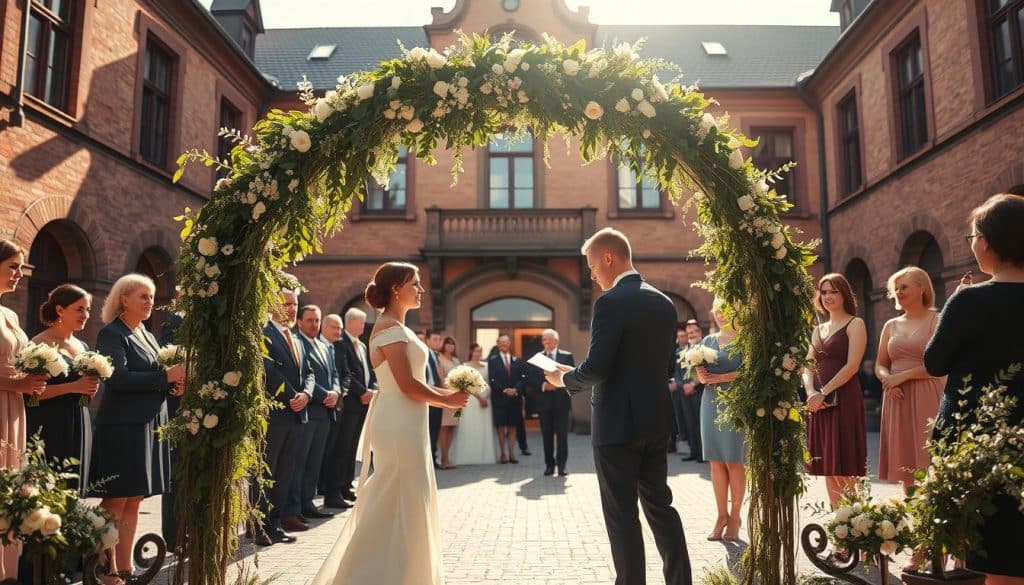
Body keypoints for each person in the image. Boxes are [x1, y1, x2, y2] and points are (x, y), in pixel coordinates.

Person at [546, 227, 692, 585]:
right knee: (661, 507)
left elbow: (598, 367)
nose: (592, 275)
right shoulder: (663, 302)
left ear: (609, 258)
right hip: (656, 420)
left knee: (621, 514)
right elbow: (656, 366)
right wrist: (577, 372)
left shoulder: (610, 303)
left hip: (616, 427)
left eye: (593, 266)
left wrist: (563, 379)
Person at [312, 262, 468, 585]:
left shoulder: (400, 327)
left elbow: (412, 383)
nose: (421, 291)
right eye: (415, 284)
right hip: (398, 422)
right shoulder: (387, 328)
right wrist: (447, 400)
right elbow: (407, 384)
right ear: (396, 289)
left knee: (410, 493)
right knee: (394, 491)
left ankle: (408, 572)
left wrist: (449, 393)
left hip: (409, 421)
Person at [924, 193, 1024, 584]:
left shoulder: (968, 301)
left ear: (988, 242)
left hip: (977, 444)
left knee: (997, 559)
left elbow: (935, 363)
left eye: (972, 237)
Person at [90, 274, 184, 577]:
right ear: (123, 299)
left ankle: (126, 566)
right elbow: (118, 379)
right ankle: (106, 567)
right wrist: (165, 378)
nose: (150, 303)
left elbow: (153, 375)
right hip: (122, 427)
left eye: (152, 297)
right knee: (116, 497)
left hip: (148, 425)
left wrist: (171, 387)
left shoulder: (145, 332)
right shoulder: (112, 334)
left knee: (134, 497)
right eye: (143, 296)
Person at [0, 240, 46, 579]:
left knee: (11, 492)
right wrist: (16, 384)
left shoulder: (10, 313)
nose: (20, 273)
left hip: (13, 409)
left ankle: (8, 573)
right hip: (4, 396)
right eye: (14, 266)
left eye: (21, 266)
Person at [802, 273, 867, 510]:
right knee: (829, 467)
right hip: (819, 405)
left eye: (834, 291)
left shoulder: (855, 324)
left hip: (844, 401)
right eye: (824, 291)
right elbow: (807, 365)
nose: (828, 296)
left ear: (844, 294)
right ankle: (840, 532)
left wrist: (824, 392)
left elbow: (852, 366)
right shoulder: (817, 329)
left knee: (845, 466)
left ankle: (855, 530)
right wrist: (810, 392)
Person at [876, 267, 944, 491]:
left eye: (903, 287)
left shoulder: (938, 320)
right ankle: (911, 516)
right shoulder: (890, 325)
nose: (898, 292)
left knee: (929, 459)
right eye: (896, 289)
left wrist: (900, 378)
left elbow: (940, 365)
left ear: (921, 288)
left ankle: (932, 514)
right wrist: (888, 381)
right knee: (904, 463)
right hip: (896, 397)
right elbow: (880, 365)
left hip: (927, 393)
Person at [256, 288, 315, 546]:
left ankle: (275, 523)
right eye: (286, 303)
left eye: (294, 304)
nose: (291, 308)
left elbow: (310, 372)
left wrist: (307, 395)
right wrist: (292, 395)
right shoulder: (264, 334)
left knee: (284, 475)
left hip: (297, 415)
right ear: (272, 305)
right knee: (267, 474)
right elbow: (266, 369)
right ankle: (259, 528)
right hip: (275, 416)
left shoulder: (298, 339)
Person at [27, 284, 99, 493]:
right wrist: (74, 387)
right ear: (60, 310)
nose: (85, 315)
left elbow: (82, 389)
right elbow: (30, 394)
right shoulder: (39, 343)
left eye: (88, 310)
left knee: (72, 491)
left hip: (79, 422)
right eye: (79, 309)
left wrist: (89, 391)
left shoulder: (83, 346)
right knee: (49, 490)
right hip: (49, 425)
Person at [286, 305, 341, 527]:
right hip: (309, 410)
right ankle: (295, 506)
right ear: (300, 322)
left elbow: (334, 373)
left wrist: (335, 391)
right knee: (299, 462)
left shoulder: (324, 346)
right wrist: (323, 394)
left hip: (325, 413)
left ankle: (308, 503)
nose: (314, 324)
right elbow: (303, 376)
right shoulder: (297, 343)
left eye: (317, 320)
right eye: (309, 320)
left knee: (314, 462)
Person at [697, 298, 746, 542]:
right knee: (715, 461)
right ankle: (721, 515)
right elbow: (699, 371)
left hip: (735, 404)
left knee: (734, 461)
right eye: (717, 311)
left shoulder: (746, 340)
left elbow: (751, 373)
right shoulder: (707, 340)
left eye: (725, 311)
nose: (721, 315)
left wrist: (723, 376)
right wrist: (700, 374)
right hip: (710, 402)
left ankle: (736, 517)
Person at [327, 308, 377, 508]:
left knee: (352, 447)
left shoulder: (362, 346)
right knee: (342, 447)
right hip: (349, 404)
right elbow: (346, 373)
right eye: (361, 322)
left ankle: (347, 486)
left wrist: (372, 388)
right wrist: (361, 392)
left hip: (363, 404)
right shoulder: (341, 344)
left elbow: (369, 372)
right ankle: (335, 490)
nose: (363, 326)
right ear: (350, 322)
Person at [528, 329, 574, 476]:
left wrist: (558, 383)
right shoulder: (537, 358)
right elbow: (531, 378)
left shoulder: (567, 356)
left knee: (562, 436)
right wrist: (544, 385)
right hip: (544, 403)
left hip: (562, 403)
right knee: (546, 436)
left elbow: (572, 376)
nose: (544, 342)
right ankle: (549, 465)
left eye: (547, 339)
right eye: (543, 339)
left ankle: (562, 466)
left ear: (556, 341)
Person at [449, 343, 496, 465]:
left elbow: (491, 382)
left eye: (480, 351)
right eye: (476, 351)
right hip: (472, 400)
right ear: (471, 352)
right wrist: (479, 398)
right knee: (470, 427)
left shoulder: (487, 366)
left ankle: (484, 457)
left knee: (483, 427)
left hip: (486, 399)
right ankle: (469, 456)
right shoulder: (464, 366)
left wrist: (486, 397)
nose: (478, 353)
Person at [488, 334, 527, 464]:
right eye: (501, 342)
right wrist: (504, 390)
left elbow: (522, 379)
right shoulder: (492, 361)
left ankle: (511, 453)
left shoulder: (518, 361)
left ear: (509, 343)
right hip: (499, 399)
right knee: (501, 427)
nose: (504, 344)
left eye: (506, 342)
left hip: (514, 400)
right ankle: (502, 453)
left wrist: (515, 390)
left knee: (512, 426)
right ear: (498, 344)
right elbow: (492, 379)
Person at [675, 320, 705, 462]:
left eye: (694, 332)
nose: (691, 335)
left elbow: (707, 369)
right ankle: (693, 451)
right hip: (685, 393)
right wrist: (683, 385)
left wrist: (693, 384)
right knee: (689, 423)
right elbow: (678, 372)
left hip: (700, 392)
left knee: (701, 424)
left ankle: (703, 454)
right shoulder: (684, 351)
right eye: (689, 333)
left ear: (700, 332)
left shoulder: (706, 347)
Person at [437, 336, 461, 469]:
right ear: (444, 345)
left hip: (457, 398)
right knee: (444, 427)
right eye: (448, 344)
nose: (450, 347)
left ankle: (447, 457)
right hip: (446, 396)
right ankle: (443, 459)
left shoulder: (456, 360)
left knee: (452, 427)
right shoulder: (439, 358)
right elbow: (441, 379)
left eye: (452, 345)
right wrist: (449, 392)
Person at [424, 329, 444, 468]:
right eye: (435, 339)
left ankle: (433, 456)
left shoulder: (436, 355)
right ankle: (428, 459)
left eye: (439, 339)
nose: (438, 342)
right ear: (427, 340)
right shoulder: (424, 353)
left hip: (436, 395)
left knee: (435, 428)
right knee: (428, 429)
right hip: (427, 395)